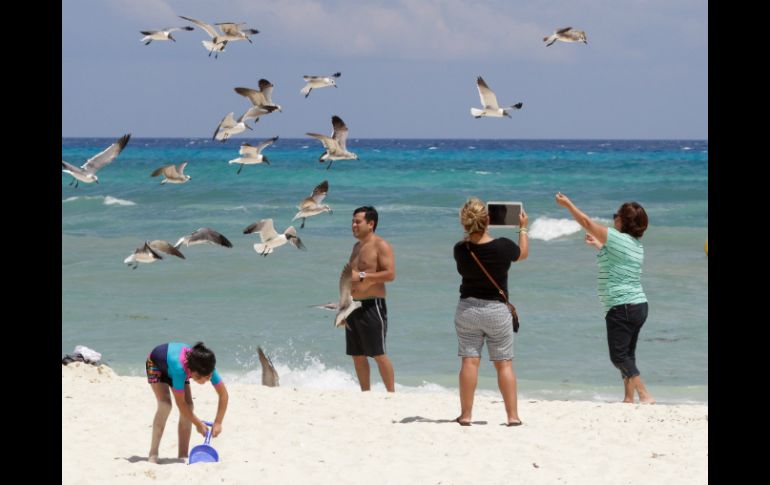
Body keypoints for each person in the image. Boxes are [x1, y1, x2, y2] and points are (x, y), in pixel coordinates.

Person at [555, 193, 655, 404]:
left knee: (618, 356)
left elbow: (586, 222)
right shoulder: (635, 245)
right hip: (637, 305)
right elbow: (618, 261)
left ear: (623, 221)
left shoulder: (618, 238)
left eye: (616, 215)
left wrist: (568, 204)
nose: (614, 219)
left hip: (622, 305)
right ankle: (628, 398)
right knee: (628, 354)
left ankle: (644, 394)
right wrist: (598, 245)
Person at [453, 197, 528, 426]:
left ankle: (466, 415)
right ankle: (512, 416)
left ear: (465, 222)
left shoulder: (460, 249)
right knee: (504, 364)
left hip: (468, 310)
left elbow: (470, 246)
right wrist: (523, 228)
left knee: (469, 362)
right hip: (496, 311)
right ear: (488, 220)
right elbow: (522, 254)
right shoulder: (503, 246)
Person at [145, 342, 229, 463]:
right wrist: (198, 424)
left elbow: (223, 395)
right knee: (165, 405)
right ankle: (153, 453)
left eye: (210, 377)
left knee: (189, 405)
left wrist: (218, 422)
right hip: (156, 364)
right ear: (195, 374)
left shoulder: (207, 367)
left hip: (175, 367)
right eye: (206, 378)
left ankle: (183, 454)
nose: (208, 380)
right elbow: (180, 404)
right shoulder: (180, 370)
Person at [346, 206, 396, 392]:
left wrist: (362, 276)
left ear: (371, 224)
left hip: (372, 305)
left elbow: (390, 274)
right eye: (353, 221)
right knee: (357, 354)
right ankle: (365, 393)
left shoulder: (380, 245)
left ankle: (391, 394)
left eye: (358, 222)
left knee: (378, 353)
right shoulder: (356, 247)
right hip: (352, 305)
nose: (353, 225)